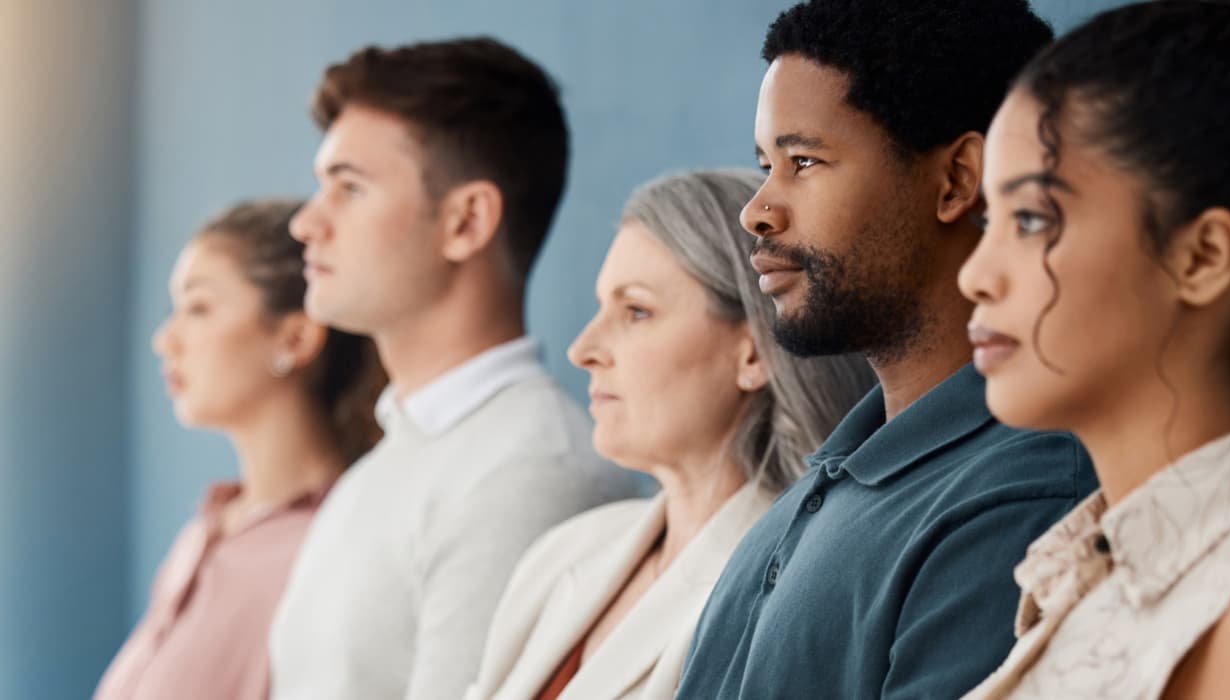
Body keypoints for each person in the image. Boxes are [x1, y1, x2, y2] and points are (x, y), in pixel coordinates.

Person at [957, 1, 1230, 697]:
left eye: (1032, 218)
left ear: (1201, 257)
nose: (975, 275)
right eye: (990, 220)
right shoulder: (1092, 585)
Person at [674, 2, 1095, 698]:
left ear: (959, 180)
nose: (758, 210)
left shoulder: (1025, 495)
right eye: (765, 164)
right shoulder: (829, 481)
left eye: (803, 161)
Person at [269, 38, 634, 700]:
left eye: (349, 188)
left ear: (466, 221)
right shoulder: (388, 466)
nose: (305, 222)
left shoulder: (529, 474)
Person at [465, 169, 875, 700]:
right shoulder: (561, 554)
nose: (583, 349)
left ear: (752, 353)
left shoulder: (791, 594)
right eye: (602, 308)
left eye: (636, 311)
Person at [95, 199, 386, 700]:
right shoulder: (205, 531)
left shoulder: (330, 549)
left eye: (199, 308)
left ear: (295, 338)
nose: (166, 340)